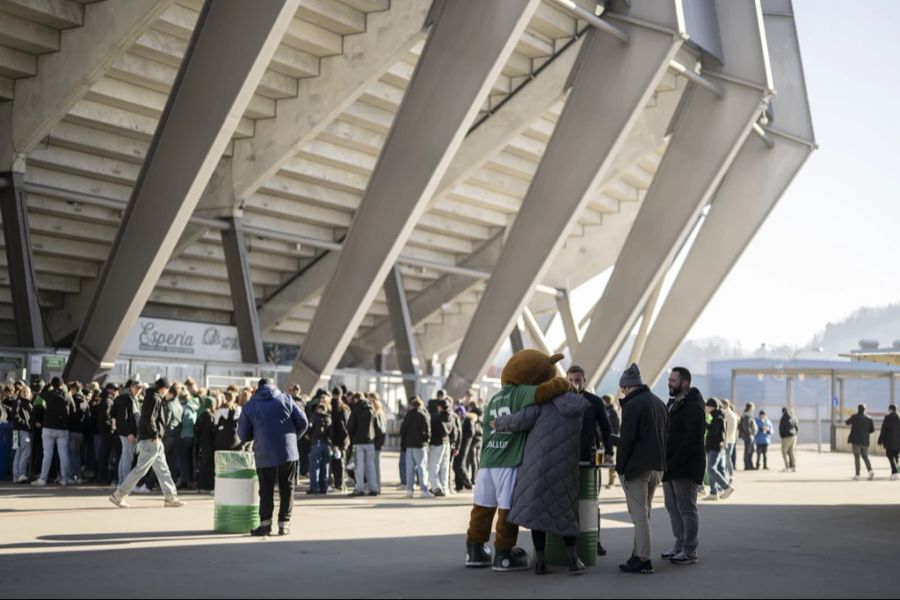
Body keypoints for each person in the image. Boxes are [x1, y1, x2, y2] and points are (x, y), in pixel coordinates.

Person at [464, 349, 570, 573]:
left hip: (487, 460)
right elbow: (546, 390)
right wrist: (562, 383)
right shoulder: (522, 392)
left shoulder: (494, 398)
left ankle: (474, 549)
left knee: (482, 507)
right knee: (506, 509)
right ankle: (504, 553)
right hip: (508, 459)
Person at [495, 388, 588, 575]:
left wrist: (497, 423)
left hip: (539, 467)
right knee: (567, 513)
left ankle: (540, 562)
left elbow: (518, 421)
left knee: (538, 515)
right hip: (566, 468)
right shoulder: (577, 406)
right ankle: (573, 560)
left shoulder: (541, 404)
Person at [615, 363, 668, 575]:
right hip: (657, 466)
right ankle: (637, 554)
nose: (623, 393)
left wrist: (621, 468)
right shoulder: (658, 402)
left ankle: (644, 559)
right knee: (644, 513)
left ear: (627, 387)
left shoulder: (633, 405)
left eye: (622, 389)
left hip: (638, 468)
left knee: (638, 515)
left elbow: (627, 440)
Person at [239, 379, 309, 536]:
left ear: (258, 388)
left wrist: (255, 435)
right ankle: (284, 525)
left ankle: (265, 526)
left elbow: (242, 434)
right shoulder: (286, 399)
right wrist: (292, 437)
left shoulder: (251, 405)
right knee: (287, 487)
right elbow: (304, 422)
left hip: (264, 452)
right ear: (274, 386)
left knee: (266, 490)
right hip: (287, 451)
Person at [109, 378, 184, 508]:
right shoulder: (155, 398)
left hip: (152, 439)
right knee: (142, 470)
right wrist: (155, 434)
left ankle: (170, 497)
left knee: (162, 469)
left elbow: (147, 418)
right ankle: (119, 495)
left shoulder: (151, 396)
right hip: (152, 439)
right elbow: (150, 419)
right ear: (163, 388)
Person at [566, 365, 613, 557]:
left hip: (589, 460)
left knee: (592, 502)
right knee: (567, 503)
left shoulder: (594, 402)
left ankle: (595, 540)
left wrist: (609, 452)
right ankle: (569, 542)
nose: (574, 383)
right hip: (565, 460)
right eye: (571, 380)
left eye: (578, 379)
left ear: (584, 380)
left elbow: (606, 427)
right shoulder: (561, 400)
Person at [662, 367, 706, 566]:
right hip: (670, 464)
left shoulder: (693, 404)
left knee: (687, 508)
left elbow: (692, 438)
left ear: (685, 382)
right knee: (672, 507)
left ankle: (690, 550)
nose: (669, 383)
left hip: (686, 465)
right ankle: (679, 544)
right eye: (669, 380)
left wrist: (675, 460)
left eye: (673, 380)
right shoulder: (674, 403)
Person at [32, 377, 75, 487]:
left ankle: (43, 479)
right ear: (62, 384)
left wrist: (47, 386)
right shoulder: (66, 395)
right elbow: (73, 410)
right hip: (62, 428)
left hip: (48, 427)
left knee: (47, 454)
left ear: (52, 384)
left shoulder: (47, 394)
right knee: (63, 454)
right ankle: (64, 479)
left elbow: (39, 400)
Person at [347, 393, 380, 497]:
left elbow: (350, 426)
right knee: (371, 466)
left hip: (358, 442)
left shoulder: (356, 409)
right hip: (370, 442)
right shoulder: (371, 409)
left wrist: (351, 439)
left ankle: (359, 489)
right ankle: (373, 488)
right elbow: (377, 426)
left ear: (356, 399)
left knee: (359, 466)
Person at [400, 397, 432, 498]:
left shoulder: (408, 415)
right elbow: (427, 430)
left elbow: (402, 430)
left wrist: (405, 442)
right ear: (421, 405)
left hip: (409, 445)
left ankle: (409, 491)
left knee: (410, 469)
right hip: (420, 445)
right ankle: (423, 490)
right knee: (422, 468)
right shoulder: (423, 415)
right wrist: (426, 440)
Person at [704, 398, 733, 501]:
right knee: (714, 468)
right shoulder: (718, 415)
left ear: (710, 406)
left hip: (715, 447)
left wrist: (704, 423)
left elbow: (714, 431)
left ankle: (726, 487)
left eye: (706, 406)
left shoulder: (717, 416)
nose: (705, 408)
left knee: (711, 469)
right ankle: (713, 492)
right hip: (716, 446)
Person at [113, 380, 141, 487]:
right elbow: (122, 418)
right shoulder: (127, 399)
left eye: (140, 388)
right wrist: (129, 433)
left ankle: (121, 482)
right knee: (128, 457)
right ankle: (125, 483)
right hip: (127, 432)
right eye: (137, 387)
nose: (139, 390)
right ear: (131, 387)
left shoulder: (131, 398)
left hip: (126, 432)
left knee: (125, 456)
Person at [427, 399, 452, 497]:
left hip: (437, 444)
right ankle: (445, 488)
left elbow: (431, 431)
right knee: (444, 467)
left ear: (439, 407)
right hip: (447, 443)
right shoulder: (452, 417)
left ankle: (436, 487)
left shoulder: (436, 417)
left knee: (433, 466)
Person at [308, 399, 333, 495]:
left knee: (314, 466)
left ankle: (314, 488)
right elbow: (331, 432)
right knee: (325, 466)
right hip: (326, 444)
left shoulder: (314, 417)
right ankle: (324, 487)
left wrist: (310, 437)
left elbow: (309, 429)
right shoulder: (328, 418)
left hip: (316, 443)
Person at [194, 395, 217, 494]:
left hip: (201, 443)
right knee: (208, 465)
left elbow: (196, 429)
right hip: (209, 444)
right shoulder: (210, 416)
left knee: (203, 465)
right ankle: (207, 486)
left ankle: (201, 485)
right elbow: (212, 431)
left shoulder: (201, 415)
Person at [846, 404, 875, 481]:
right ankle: (870, 471)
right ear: (865, 409)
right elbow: (872, 430)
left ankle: (857, 475)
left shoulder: (854, 417)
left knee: (857, 457)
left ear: (858, 409)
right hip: (865, 441)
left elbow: (847, 422)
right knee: (865, 457)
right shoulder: (869, 418)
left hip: (855, 441)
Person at [12, 386, 34, 483]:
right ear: (20, 393)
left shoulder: (26, 403)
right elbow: (15, 415)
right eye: (24, 391)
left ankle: (16, 476)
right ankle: (21, 473)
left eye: (27, 392)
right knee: (26, 452)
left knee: (18, 453)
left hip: (16, 431)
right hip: (22, 430)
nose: (25, 393)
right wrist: (26, 424)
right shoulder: (20, 402)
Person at [330, 394, 350, 493]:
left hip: (337, 442)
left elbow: (338, 428)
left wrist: (335, 441)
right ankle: (341, 484)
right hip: (344, 441)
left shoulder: (334, 412)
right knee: (341, 463)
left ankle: (339, 485)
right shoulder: (345, 410)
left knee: (337, 464)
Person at [877, 405, 900, 481]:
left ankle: (896, 472)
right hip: (898, 442)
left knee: (890, 456)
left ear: (890, 409)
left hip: (889, 442)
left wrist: (880, 441)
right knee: (896, 457)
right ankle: (894, 473)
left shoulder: (887, 417)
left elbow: (883, 430)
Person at [604, 395, 621, 489]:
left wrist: (614, 437)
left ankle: (612, 481)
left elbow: (617, 426)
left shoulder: (613, 412)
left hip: (612, 439)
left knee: (611, 460)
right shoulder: (605, 410)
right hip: (606, 439)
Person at [720, 399, 738, 483]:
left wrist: (724, 441)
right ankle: (729, 476)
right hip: (731, 439)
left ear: (725, 405)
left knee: (727, 458)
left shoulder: (727, 415)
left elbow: (729, 430)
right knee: (727, 458)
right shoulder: (732, 414)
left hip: (727, 440)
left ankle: (729, 476)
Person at [739, 403, 759, 471]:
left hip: (751, 435)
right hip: (748, 436)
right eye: (753, 407)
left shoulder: (749, 414)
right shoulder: (746, 415)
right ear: (750, 407)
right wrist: (750, 433)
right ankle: (747, 465)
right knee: (748, 451)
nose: (754, 409)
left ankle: (750, 465)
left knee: (751, 450)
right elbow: (746, 426)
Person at [779, 407, 799, 472]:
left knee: (784, 452)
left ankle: (787, 467)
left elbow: (781, 428)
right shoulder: (794, 417)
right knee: (792, 452)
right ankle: (794, 467)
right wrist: (795, 433)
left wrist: (782, 436)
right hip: (794, 436)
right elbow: (797, 427)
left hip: (786, 436)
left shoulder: (784, 418)